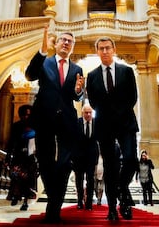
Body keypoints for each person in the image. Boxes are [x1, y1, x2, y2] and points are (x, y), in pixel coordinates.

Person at [25, 25, 84, 224]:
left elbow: (77, 95)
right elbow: (29, 75)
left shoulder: (77, 69)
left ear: (73, 47)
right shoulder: (45, 62)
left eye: (70, 41)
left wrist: (78, 92)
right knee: (45, 161)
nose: (66, 43)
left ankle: (54, 205)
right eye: (63, 40)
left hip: (67, 121)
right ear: (56, 44)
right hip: (44, 119)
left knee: (65, 164)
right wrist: (41, 51)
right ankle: (53, 199)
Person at [86, 36, 139, 221]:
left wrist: (118, 112)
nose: (105, 51)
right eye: (101, 48)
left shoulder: (127, 71)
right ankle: (111, 209)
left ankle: (122, 189)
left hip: (126, 123)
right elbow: (93, 102)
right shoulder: (92, 75)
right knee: (109, 167)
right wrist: (108, 113)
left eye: (108, 48)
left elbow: (133, 97)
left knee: (131, 159)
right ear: (97, 51)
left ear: (114, 49)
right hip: (104, 126)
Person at [6, 104, 38, 211]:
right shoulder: (16, 126)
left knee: (27, 180)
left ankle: (25, 202)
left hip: (30, 158)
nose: (26, 117)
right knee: (16, 176)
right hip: (18, 157)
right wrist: (7, 157)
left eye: (29, 115)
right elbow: (10, 142)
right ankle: (16, 195)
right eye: (24, 115)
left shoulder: (36, 127)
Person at [72, 104, 99, 211]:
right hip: (78, 157)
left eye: (90, 112)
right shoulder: (77, 123)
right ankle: (79, 201)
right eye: (86, 112)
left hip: (91, 157)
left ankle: (89, 203)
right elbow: (73, 140)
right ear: (82, 113)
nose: (88, 114)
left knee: (90, 180)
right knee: (79, 180)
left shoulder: (96, 123)